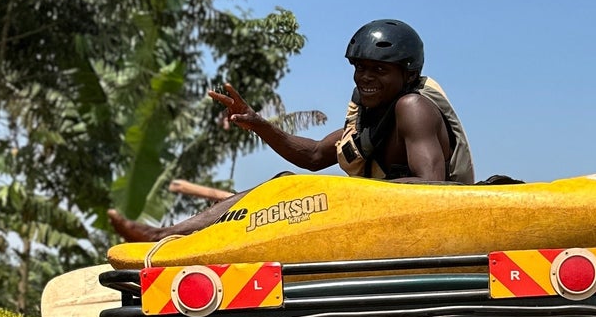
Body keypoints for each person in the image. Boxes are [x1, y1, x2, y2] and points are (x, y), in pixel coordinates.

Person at [108, 19, 474, 243]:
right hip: (379, 217)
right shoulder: (369, 118)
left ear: (407, 75)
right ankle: (165, 235)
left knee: (302, 189)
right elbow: (314, 156)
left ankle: (165, 235)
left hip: (425, 224)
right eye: (360, 67)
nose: (365, 77)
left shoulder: (413, 107)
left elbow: (434, 189)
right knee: (284, 181)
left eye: (379, 70)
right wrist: (258, 123)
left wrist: (350, 196)